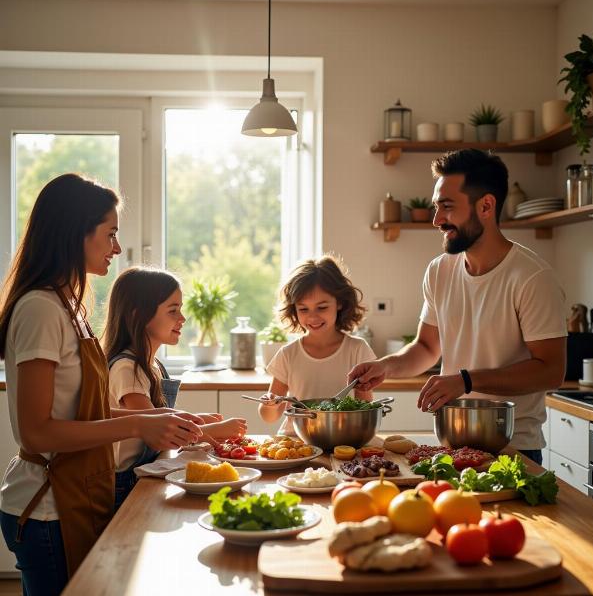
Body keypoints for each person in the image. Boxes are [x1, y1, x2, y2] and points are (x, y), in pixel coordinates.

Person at [0, 174, 203, 596]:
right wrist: (137, 425)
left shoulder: (68, 305)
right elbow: (37, 431)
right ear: (77, 233)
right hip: (45, 505)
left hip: (74, 492)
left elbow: (81, 411)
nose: (116, 247)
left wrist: (154, 417)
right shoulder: (40, 308)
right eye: (109, 234)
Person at [349, 149, 567, 464]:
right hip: (450, 445)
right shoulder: (440, 270)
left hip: (512, 449)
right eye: (437, 207)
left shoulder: (532, 277)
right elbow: (426, 347)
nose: (437, 220)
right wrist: (386, 366)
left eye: (447, 207)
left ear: (486, 206)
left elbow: (551, 371)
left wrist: (466, 380)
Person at [104, 266, 247, 508]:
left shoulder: (153, 364)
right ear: (139, 315)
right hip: (126, 484)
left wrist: (195, 420)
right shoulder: (127, 368)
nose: (182, 319)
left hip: (145, 474)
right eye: (173, 311)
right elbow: (158, 434)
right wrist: (217, 429)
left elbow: (159, 417)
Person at [259, 255, 375, 435]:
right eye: (303, 309)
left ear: (340, 303)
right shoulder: (288, 354)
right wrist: (269, 404)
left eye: (322, 307)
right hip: (295, 441)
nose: (312, 317)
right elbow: (269, 417)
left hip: (343, 442)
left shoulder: (358, 350)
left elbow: (365, 411)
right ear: (293, 310)